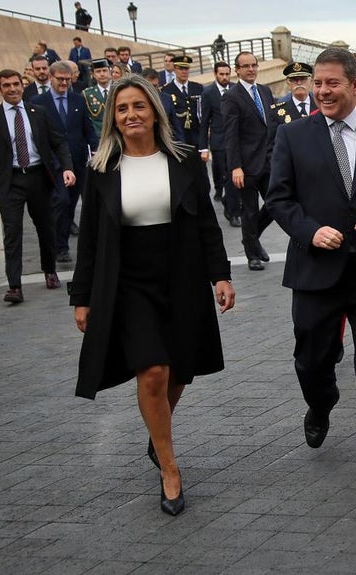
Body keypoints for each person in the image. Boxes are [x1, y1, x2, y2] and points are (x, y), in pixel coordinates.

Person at [71, 73, 235, 516]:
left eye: (138, 106)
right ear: (113, 118)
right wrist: (81, 296)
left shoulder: (183, 160)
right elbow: (89, 239)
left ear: (154, 111)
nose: (131, 115)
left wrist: (220, 275)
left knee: (182, 368)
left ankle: (156, 431)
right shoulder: (102, 169)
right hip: (128, 282)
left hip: (181, 274)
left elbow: (205, 223)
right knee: (154, 372)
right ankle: (169, 466)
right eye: (122, 109)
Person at [265, 47, 356, 488]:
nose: (323, 91)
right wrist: (309, 231)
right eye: (318, 83)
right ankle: (321, 402)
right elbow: (279, 199)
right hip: (316, 271)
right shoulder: (293, 136)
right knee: (312, 360)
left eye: (332, 83)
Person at [0, 69, 76, 304]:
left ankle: (49, 271)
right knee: (12, 231)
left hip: (39, 177)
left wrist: (67, 168)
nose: (13, 89)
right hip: (10, 182)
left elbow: (58, 141)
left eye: (16, 84)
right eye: (6, 85)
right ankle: (14, 286)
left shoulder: (39, 112)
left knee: (46, 228)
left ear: (22, 85)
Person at [32, 62, 98, 264]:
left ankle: (61, 245)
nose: (64, 83)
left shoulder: (78, 100)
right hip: (53, 163)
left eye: (67, 79)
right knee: (61, 201)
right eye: (60, 79)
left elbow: (87, 129)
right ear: (51, 77)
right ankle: (57, 245)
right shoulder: (38, 102)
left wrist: (96, 150)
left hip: (77, 161)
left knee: (70, 206)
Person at [224, 51, 275, 270]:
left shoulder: (265, 91)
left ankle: (252, 238)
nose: (251, 69)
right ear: (237, 70)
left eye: (254, 65)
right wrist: (235, 166)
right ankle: (252, 255)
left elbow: (272, 126)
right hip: (246, 165)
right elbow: (231, 134)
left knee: (275, 204)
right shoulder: (232, 96)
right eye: (245, 66)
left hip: (269, 162)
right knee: (250, 210)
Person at [199, 61, 242, 226]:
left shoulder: (236, 89)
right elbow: (204, 122)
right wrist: (203, 147)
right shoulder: (208, 93)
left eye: (227, 74)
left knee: (236, 176)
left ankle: (229, 201)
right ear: (215, 74)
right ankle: (233, 213)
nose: (224, 77)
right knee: (229, 177)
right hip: (219, 143)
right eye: (221, 74)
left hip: (237, 141)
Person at [163, 55, 204, 158]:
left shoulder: (198, 88)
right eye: (181, 68)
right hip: (178, 138)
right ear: (175, 69)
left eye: (186, 69)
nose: (184, 72)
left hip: (196, 137)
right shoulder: (167, 90)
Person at [272, 61, 316, 127]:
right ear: (288, 83)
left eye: (303, 79)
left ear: (311, 81)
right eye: (294, 79)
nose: (299, 83)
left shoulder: (320, 103)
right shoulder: (279, 109)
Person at [83, 59, 112, 138]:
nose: (102, 74)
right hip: (98, 136)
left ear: (110, 72)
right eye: (98, 71)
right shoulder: (87, 94)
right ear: (93, 74)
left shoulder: (118, 90)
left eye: (104, 71)